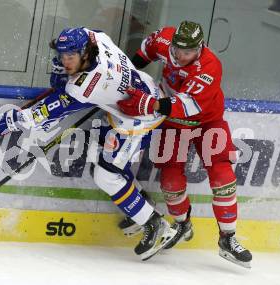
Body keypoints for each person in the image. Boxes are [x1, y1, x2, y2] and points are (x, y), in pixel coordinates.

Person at [0, 27, 176, 261]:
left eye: (71, 57)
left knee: (106, 176)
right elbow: (92, 32)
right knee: (109, 162)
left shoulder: (86, 86)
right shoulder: (96, 38)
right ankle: (141, 204)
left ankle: (155, 224)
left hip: (139, 118)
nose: (65, 62)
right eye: (62, 56)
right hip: (141, 95)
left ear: (85, 53)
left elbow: (52, 110)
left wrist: (17, 119)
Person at [116, 21, 253, 268]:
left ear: (199, 48)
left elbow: (187, 106)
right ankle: (182, 224)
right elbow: (144, 52)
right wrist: (124, 82)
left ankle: (228, 239)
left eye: (187, 52)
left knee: (222, 175)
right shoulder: (165, 39)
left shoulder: (209, 67)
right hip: (172, 122)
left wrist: (149, 104)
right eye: (178, 49)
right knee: (169, 179)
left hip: (206, 121)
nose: (180, 55)